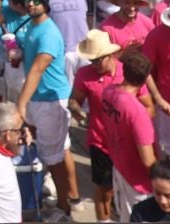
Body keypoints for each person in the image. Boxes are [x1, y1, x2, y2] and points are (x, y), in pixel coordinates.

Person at [14, 0, 78, 219]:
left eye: (36, 1)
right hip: (37, 99)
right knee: (50, 151)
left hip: (51, 102)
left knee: (55, 157)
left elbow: (37, 70)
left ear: (46, 5)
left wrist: (20, 103)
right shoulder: (32, 26)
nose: (31, 4)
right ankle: (64, 197)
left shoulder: (49, 33)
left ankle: (64, 209)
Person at [96, 47, 161, 220]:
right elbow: (148, 161)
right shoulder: (138, 113)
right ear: (146, 78)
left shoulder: (108, 92)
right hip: (139, 183)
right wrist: (165, 177)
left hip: (120, 166)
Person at [73, 30, 125, 222]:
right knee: (104, 188)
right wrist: (76, 111)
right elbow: (75, 100)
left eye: (98, 60)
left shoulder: (127, 72)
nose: (94, 64)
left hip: (125, 142)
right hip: (100, 141)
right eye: (91, 60)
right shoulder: (84, 74)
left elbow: (146, 105)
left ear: (110, 55)